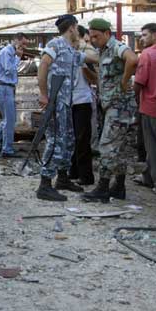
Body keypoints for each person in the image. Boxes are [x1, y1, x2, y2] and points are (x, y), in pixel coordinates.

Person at [36, 15, 97, 202]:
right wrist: (44, 94)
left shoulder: (71, 50)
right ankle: (44, 185)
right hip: (56, 102)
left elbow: (91, 58)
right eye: (77, 28)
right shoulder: (56, 44)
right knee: (55, 141)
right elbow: (43, 65)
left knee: (68, 140)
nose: (78, 31)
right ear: (71, 28)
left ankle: (62, 178)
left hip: (67, 103)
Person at [82, 18, 138, 203]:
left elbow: (133, 59)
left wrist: (124, 82)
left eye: (96, 36)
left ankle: (103, 188)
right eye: (91, 37)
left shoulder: (116, 46)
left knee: (106, 146)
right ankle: (119, 187)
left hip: (119, 107)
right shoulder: (104, 51)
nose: (94, 40)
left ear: (107, 33)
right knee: (120, 149)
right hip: (115, 107)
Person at [133, 23, 156, 197]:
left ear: (155, 35)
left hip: (150, 106)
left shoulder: (147, 54)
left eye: (145, 35)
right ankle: (148, 176)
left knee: (153, 147)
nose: (142, 38)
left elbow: (139, 83)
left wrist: (135, 103)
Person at [0, 33, 29, 158]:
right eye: (23, 43)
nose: (24, 47)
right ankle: (7, 149)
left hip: (5, 87)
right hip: (4, 87)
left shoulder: (8, 52)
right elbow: (9, 69)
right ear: (16, 41)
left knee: (8, 119)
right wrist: (18, 58)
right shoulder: (7, 52)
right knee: (9, 120)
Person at [69, 25, 98, 186]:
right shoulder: (65, 54)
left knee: (82, 139)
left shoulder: (86, 54)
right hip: (70, 102)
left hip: (83, 100)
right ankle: (73, 172)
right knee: (73, 139)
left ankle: (86, 176)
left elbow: (94, 78)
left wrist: (83, 65)